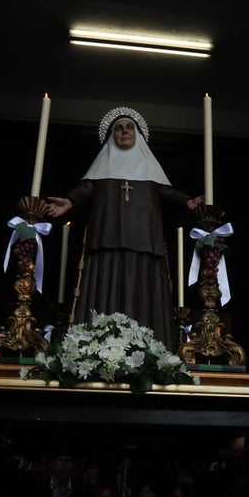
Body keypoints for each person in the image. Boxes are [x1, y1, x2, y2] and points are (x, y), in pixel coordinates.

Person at [45, 106, 204, 348]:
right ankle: (95, 347)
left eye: (129, 127)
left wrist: (188, 202)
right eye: (118, 128)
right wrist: (69, 201)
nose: (124, 131)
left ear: (138, 134)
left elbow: (166, 191)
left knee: (142, 288)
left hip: (144, 241)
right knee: (104, 286)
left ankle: (149, 349)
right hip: (106, 239)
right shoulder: (102, 167)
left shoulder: (150, 170)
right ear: (112, 135)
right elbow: (86, 189)